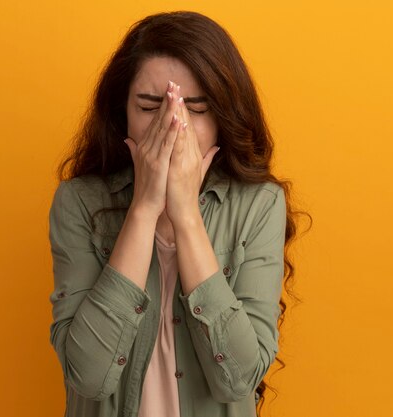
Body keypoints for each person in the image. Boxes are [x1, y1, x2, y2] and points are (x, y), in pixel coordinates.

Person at [48, 10, 305, 417]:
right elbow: (89, 375)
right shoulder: (79, 202)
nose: (174, 125)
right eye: (151, 107)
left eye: (197, 109)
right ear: (122, 115)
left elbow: (239, 379)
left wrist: (185, 215)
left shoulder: (259, 205)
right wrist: (145, 208)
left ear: (224, 117)